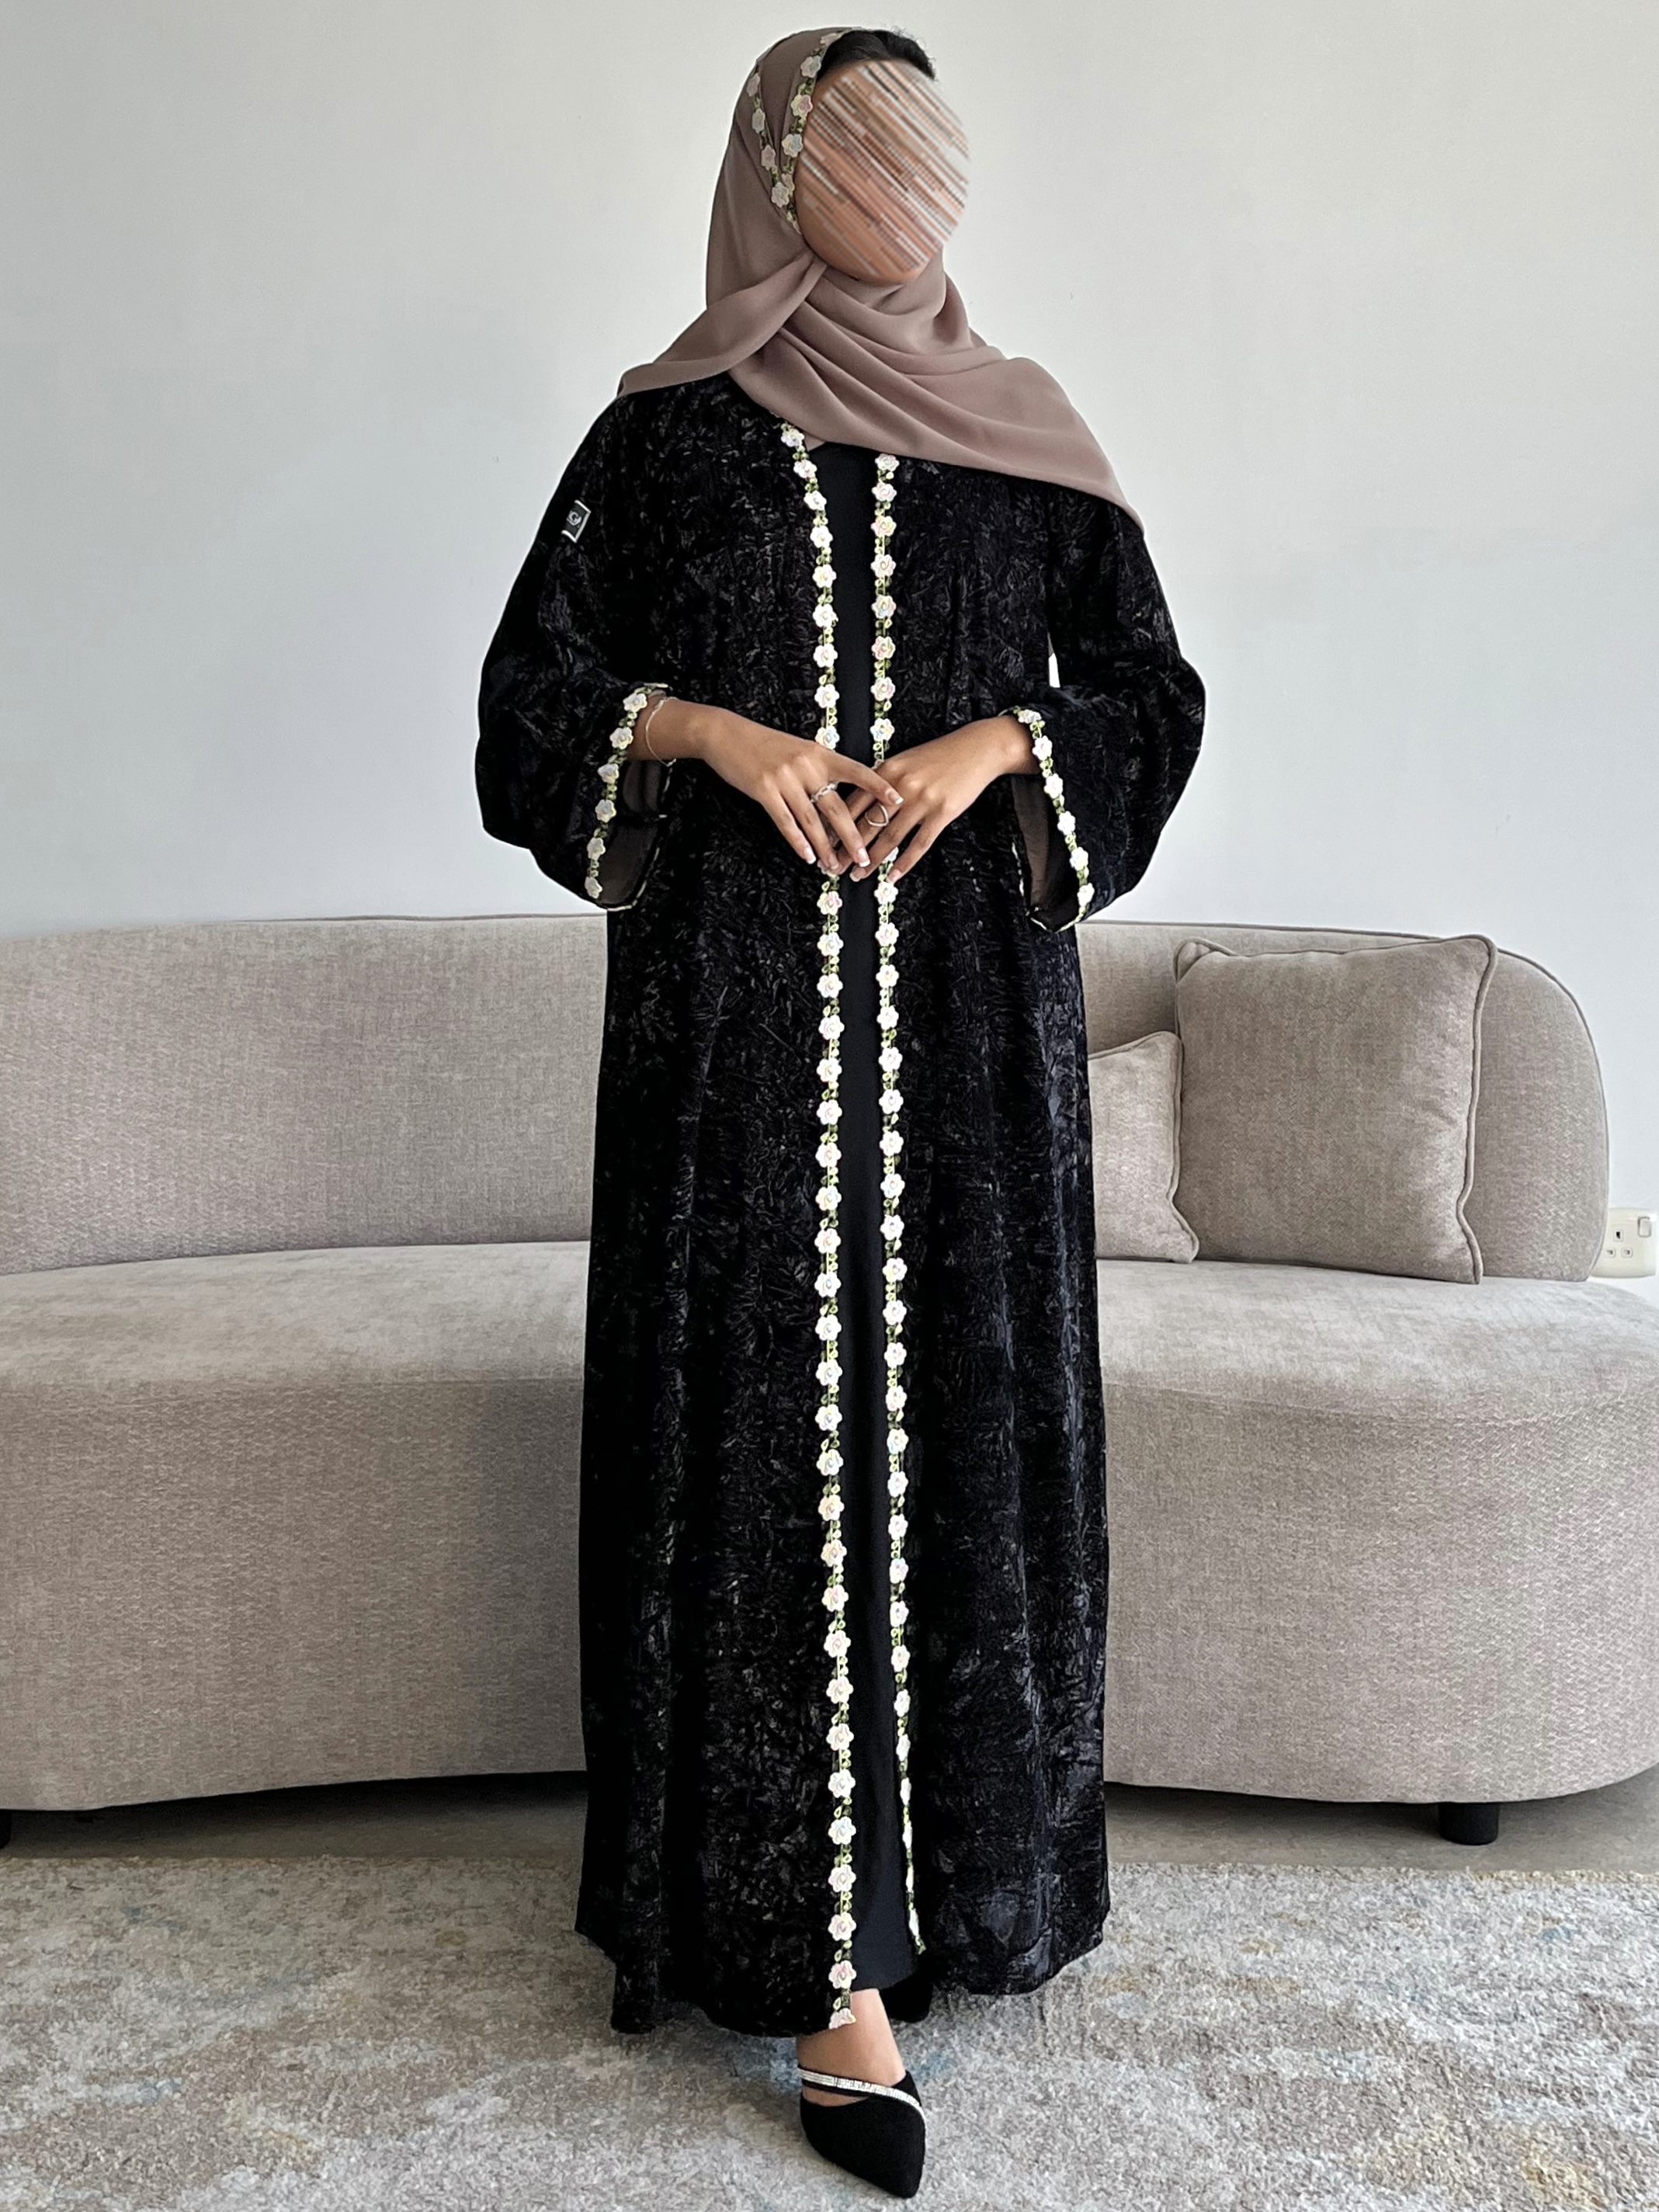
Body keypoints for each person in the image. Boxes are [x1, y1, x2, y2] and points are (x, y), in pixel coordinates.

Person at [475, 24, 1204, 2197]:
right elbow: (526, 709)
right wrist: (707, 732)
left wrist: (995, 747)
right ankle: (815, 1972)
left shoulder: (1029, 439)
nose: (906, 195)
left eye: (927, 156)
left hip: (970, 1049)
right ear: (777, 171)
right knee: (763, 1449)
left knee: (956, 1436)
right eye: (862, 152)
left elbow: (1149, 701)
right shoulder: (668, 438)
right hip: (733, 1045)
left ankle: (956, 1899)